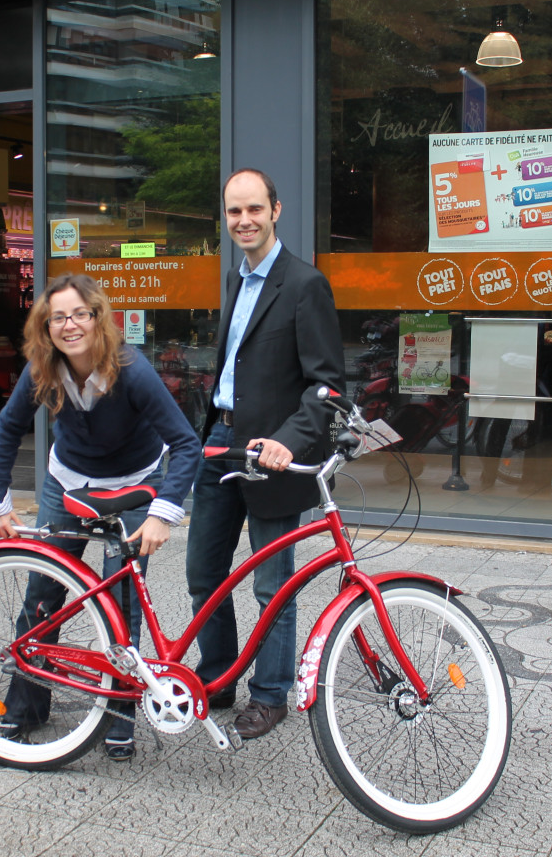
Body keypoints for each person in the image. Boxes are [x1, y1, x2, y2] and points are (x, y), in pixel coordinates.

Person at [0, 273, 199, 761]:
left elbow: (186, 444)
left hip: (134, 485)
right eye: (58, 317)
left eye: (80, 314)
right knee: (44, 594)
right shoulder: (42, 367)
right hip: (68, 483)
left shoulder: (131, 369)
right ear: (46, 326)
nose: (69, 324)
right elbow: (8, 428)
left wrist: (164, 512)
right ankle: (26, 705)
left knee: (122, 600)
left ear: (98, 319)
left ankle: (119, 715)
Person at [185, 168, 345, 740]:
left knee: (271, 584)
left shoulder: (304, 284)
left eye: (254, 209)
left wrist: (289, 441)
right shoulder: (236, 277)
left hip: (271, 455)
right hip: (219, 445)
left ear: (276, 210)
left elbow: (325, 388)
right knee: (204, 573)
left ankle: (271, 694)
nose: (244, 221)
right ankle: (220, 674)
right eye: (234, 212)